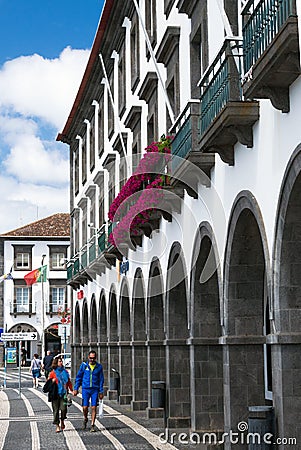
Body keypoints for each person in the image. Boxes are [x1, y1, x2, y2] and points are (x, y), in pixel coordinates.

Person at [73, 350, 104, 432]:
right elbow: (79, 377)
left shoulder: (99, 367)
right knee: (85, 407)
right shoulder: (84, 366)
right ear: (88, 357)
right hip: (85, 389)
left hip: (95, 389)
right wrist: (76, 388)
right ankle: (85, 418)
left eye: (93, 358)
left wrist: (101, 391)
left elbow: (101, 379)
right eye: (90, 358)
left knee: (94, 407)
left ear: (96, 358)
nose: (92, 360)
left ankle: (92, 424)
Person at [49, 357, 73, 433]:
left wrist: (72, 390)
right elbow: (48, 384)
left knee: (63, 409)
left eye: (61, 361)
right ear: (56, 363)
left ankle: (62, 420)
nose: (61, 363)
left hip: (64, 393)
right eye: (60, 361)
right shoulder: (52, 373)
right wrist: (52, 381)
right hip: (55, 394)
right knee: (55, 411)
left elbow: (68, 382)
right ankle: (57, 425)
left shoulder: (65, 372)